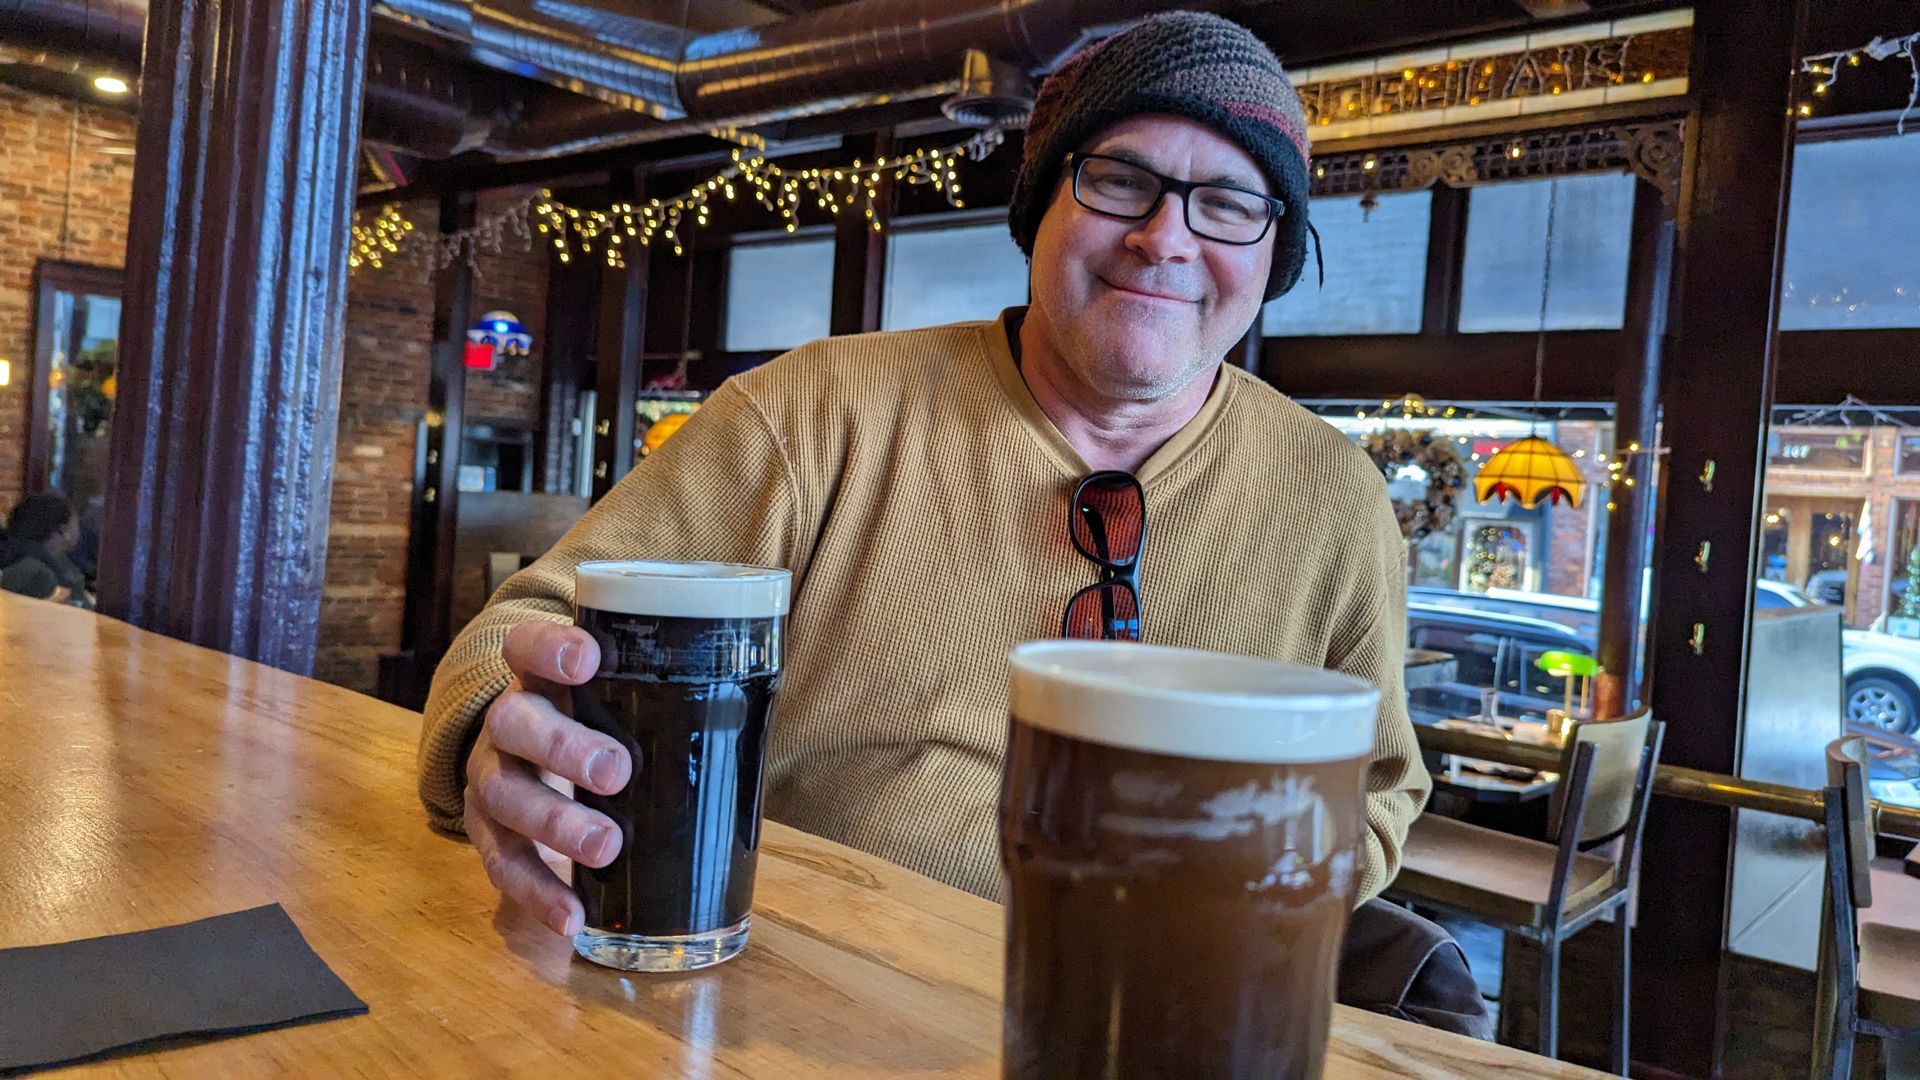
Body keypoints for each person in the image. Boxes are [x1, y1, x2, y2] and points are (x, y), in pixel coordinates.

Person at [421, 11, 1430, 941]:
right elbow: (522, 630)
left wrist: (1216, 895)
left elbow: (1380, 790)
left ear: (1273, 255)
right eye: (1120, 179)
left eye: (1228, 204)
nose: (1165, 237)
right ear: (1041, 207)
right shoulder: (813, 416)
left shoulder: (1333, 500)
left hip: (1149, 1006)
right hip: (800, 996)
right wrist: (495, 740)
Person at [0, 492, 93, 607]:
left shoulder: (18, 559)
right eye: (77, 522)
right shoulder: (40, 576)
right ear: (63, 530)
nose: (79, 529)